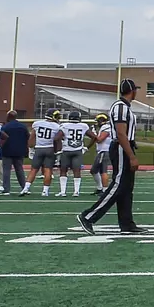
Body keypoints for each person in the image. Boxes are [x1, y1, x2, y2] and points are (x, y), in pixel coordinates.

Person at [78, 80, 141, 234]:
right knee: (119, 184)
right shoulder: (120, 107)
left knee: (126, 187)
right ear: (132, 91)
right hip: (121, 147)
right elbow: (120, 133)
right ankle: (88, 216)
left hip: (124, 146)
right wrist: (131, 156)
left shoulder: (124, 107)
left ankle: (127, 224)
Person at [28, 109, 62, 196]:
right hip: (49, 148)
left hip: (38, 149)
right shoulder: (57, 126)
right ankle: (45, 191)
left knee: (33, 169)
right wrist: (58, 152)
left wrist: (30, 147)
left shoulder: (37, 123)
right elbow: (58, 139)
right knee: (48, 170)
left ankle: (26, 188)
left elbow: (32, 137)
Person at [0, 110, 30, 195]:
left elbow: (1, 138)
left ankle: (6, 189)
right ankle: (24, 187)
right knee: (20, 170)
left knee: (6, 170)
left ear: (8, 116)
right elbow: (28, 137)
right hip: (20, 151)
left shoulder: (5, 127)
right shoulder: (23, 126)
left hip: (7, 150)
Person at [58, 114, 89, 197]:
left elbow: (57, 138)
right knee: (77, 170)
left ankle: (63, 192)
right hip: (77, 150)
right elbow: (94, 137)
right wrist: (87, 147)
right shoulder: (83, 126)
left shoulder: (64, 125)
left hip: (66, 150)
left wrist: (59, 147)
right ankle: (76, 192)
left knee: (63, 170)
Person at [89, 113, 113, 191]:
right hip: (102, 151)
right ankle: (100, 187)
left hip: (105, 151)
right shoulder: (106, 127)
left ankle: (104, 189)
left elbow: (99, 140)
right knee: (94, 170)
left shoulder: (106, 127)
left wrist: (93, 133)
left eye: (98, 121)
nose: (97, 123)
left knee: (103, 171)